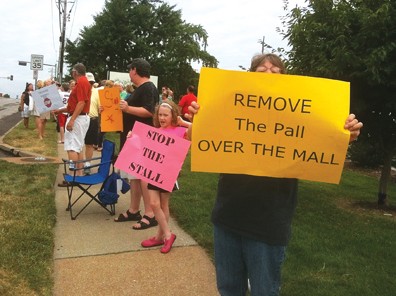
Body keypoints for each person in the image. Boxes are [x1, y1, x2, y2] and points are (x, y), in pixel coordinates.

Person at [186, 53, 363, 296]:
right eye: (261, 70)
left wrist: (345, 134)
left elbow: (322, 137)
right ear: (250, 78)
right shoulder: (231, 107)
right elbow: (195, 137)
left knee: (264, 291)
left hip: (268, 223)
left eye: (275, 70)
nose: (269, 73)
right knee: (228, 289)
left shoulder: (298, 115)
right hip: (228, 216)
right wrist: (201, 116)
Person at [140, 101, 192, 253]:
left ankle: (160, 236)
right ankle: (167, 235)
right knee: (154, 204)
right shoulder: (155, 131)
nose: (162, 118)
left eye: (165, 115)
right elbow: (143, 147)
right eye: (160, 115)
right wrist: (132, 137)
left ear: (173, 115)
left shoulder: (179, 130)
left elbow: (197, 131)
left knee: (163, 205)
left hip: (168, 172)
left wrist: (183, 122)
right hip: (153, 171)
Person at [114, 58, 158, 231]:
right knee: (133, 177)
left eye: (129, 70)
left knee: (143, 178)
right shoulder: (140, 89)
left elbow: (149, 111)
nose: (129, 73)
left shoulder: (148, 87)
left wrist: (127, 109)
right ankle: (134, 210)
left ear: (134, 70)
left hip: (141, 139)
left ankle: (150, 214)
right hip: (131, 139)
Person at [54, 63, 91, 184]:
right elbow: (74, 105)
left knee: (72, 147)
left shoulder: (81, 83)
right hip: (80, 117)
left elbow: (81, 103)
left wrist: (72, 120)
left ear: (75, 72)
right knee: (78, 147)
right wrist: (60, 110)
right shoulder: (83, 82)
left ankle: (73, 176)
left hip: (78, 118)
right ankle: (78, 175)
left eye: (72, 72)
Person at [83, 72, 100, 175]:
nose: (90, 84)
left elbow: (101, 107)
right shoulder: (79, 90)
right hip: (81, 119)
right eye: (88, 82)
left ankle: (87, 164)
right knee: (79, 144)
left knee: (89, 144)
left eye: (91, 82)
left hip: (92, 119)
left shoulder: (97, 92)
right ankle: (78, 164)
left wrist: (101, 109)